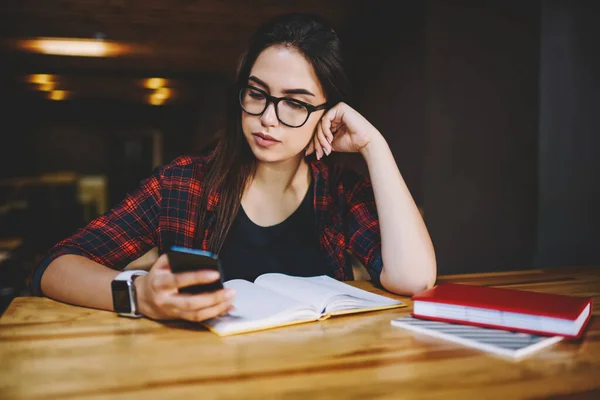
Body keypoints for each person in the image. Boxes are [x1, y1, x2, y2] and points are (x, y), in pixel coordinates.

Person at [31, 13, 436, 322]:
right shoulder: (183, 184)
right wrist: (141, 296)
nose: (268, 118)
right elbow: (56, 266)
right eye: (257, 94)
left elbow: (414, 280)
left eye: (295, 102)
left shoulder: (339, 192)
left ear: (327, 112)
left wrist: (374, 146)